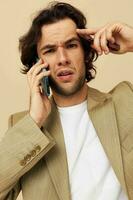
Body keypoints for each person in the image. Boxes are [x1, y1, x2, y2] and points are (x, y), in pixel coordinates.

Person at [0, 2, 133, 200]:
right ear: (37, 64)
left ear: (86, 53)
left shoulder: (125, 99)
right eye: (50, 50)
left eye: (71, 46)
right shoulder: (26, 128)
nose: (62, 58)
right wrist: (35, 121)